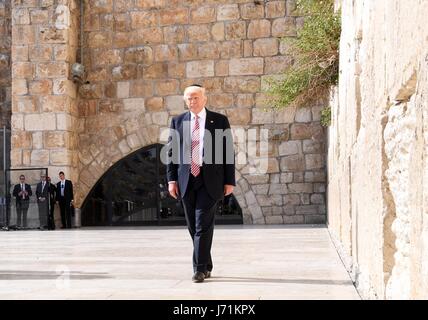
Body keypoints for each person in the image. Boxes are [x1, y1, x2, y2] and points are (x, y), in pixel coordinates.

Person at [167, 84, 235, 283]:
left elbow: (228, 151)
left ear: (205, 98)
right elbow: (171, 153)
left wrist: (229, 181)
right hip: (186, 180)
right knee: (193, 227)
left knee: (201, 225)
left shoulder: (219, 120)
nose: (192, 101)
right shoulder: (178, 121)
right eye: (188, 98)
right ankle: (207, 264)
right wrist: (171, 180)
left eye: (196, 97)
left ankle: (198, 269)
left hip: (211, 179)